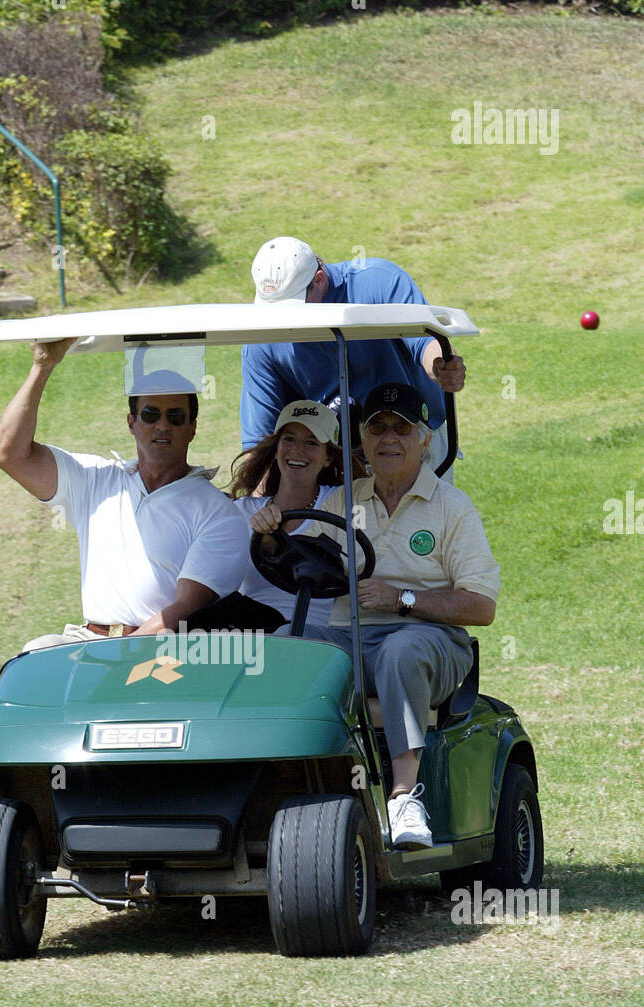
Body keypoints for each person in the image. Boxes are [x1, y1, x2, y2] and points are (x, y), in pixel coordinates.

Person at [251, 382, 499, 851]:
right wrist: (270, 537)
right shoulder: (343, 501)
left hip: (432, 641)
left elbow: (481, 606)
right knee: (286, 642)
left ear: (424, 439)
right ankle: (284, 786)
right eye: (377, 428)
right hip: (353, 638)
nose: (388, 439)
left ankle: (405, 796)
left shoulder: (451, 508)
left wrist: (402, 599)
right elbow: (308, 562)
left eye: (401, 428)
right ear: (362, 439)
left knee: (402, 650)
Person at [0, 337, 249, 647]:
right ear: (132, 423)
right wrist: (42, 366)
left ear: (193, 427)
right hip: (87, 639)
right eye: (151, 415)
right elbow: (9, 454)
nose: (162, 426)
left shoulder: (218, 512)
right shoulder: (95, 479)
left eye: (176, 417)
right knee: (34, 655)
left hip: (165, 648)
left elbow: (187, 608)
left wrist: (121, 654)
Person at [241, 236, 467, 473]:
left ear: (318, 279)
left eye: (293, 306)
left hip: (412, 436)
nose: (283, 320)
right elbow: (259, 442)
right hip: (334, 457)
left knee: (425, 509)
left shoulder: (379, 280)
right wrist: (254, 502)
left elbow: (426, 342)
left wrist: (442, 367)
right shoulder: (261, 341)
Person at [186, 399, 364, 633]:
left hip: (318, 634)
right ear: (277, 447)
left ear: (328, 457)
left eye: (311, 443)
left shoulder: (346, 501)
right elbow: (213, 577)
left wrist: (277, 545)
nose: (297, 450)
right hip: (251, 627)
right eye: (288, 439)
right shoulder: (242, 511)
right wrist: (262, 542)